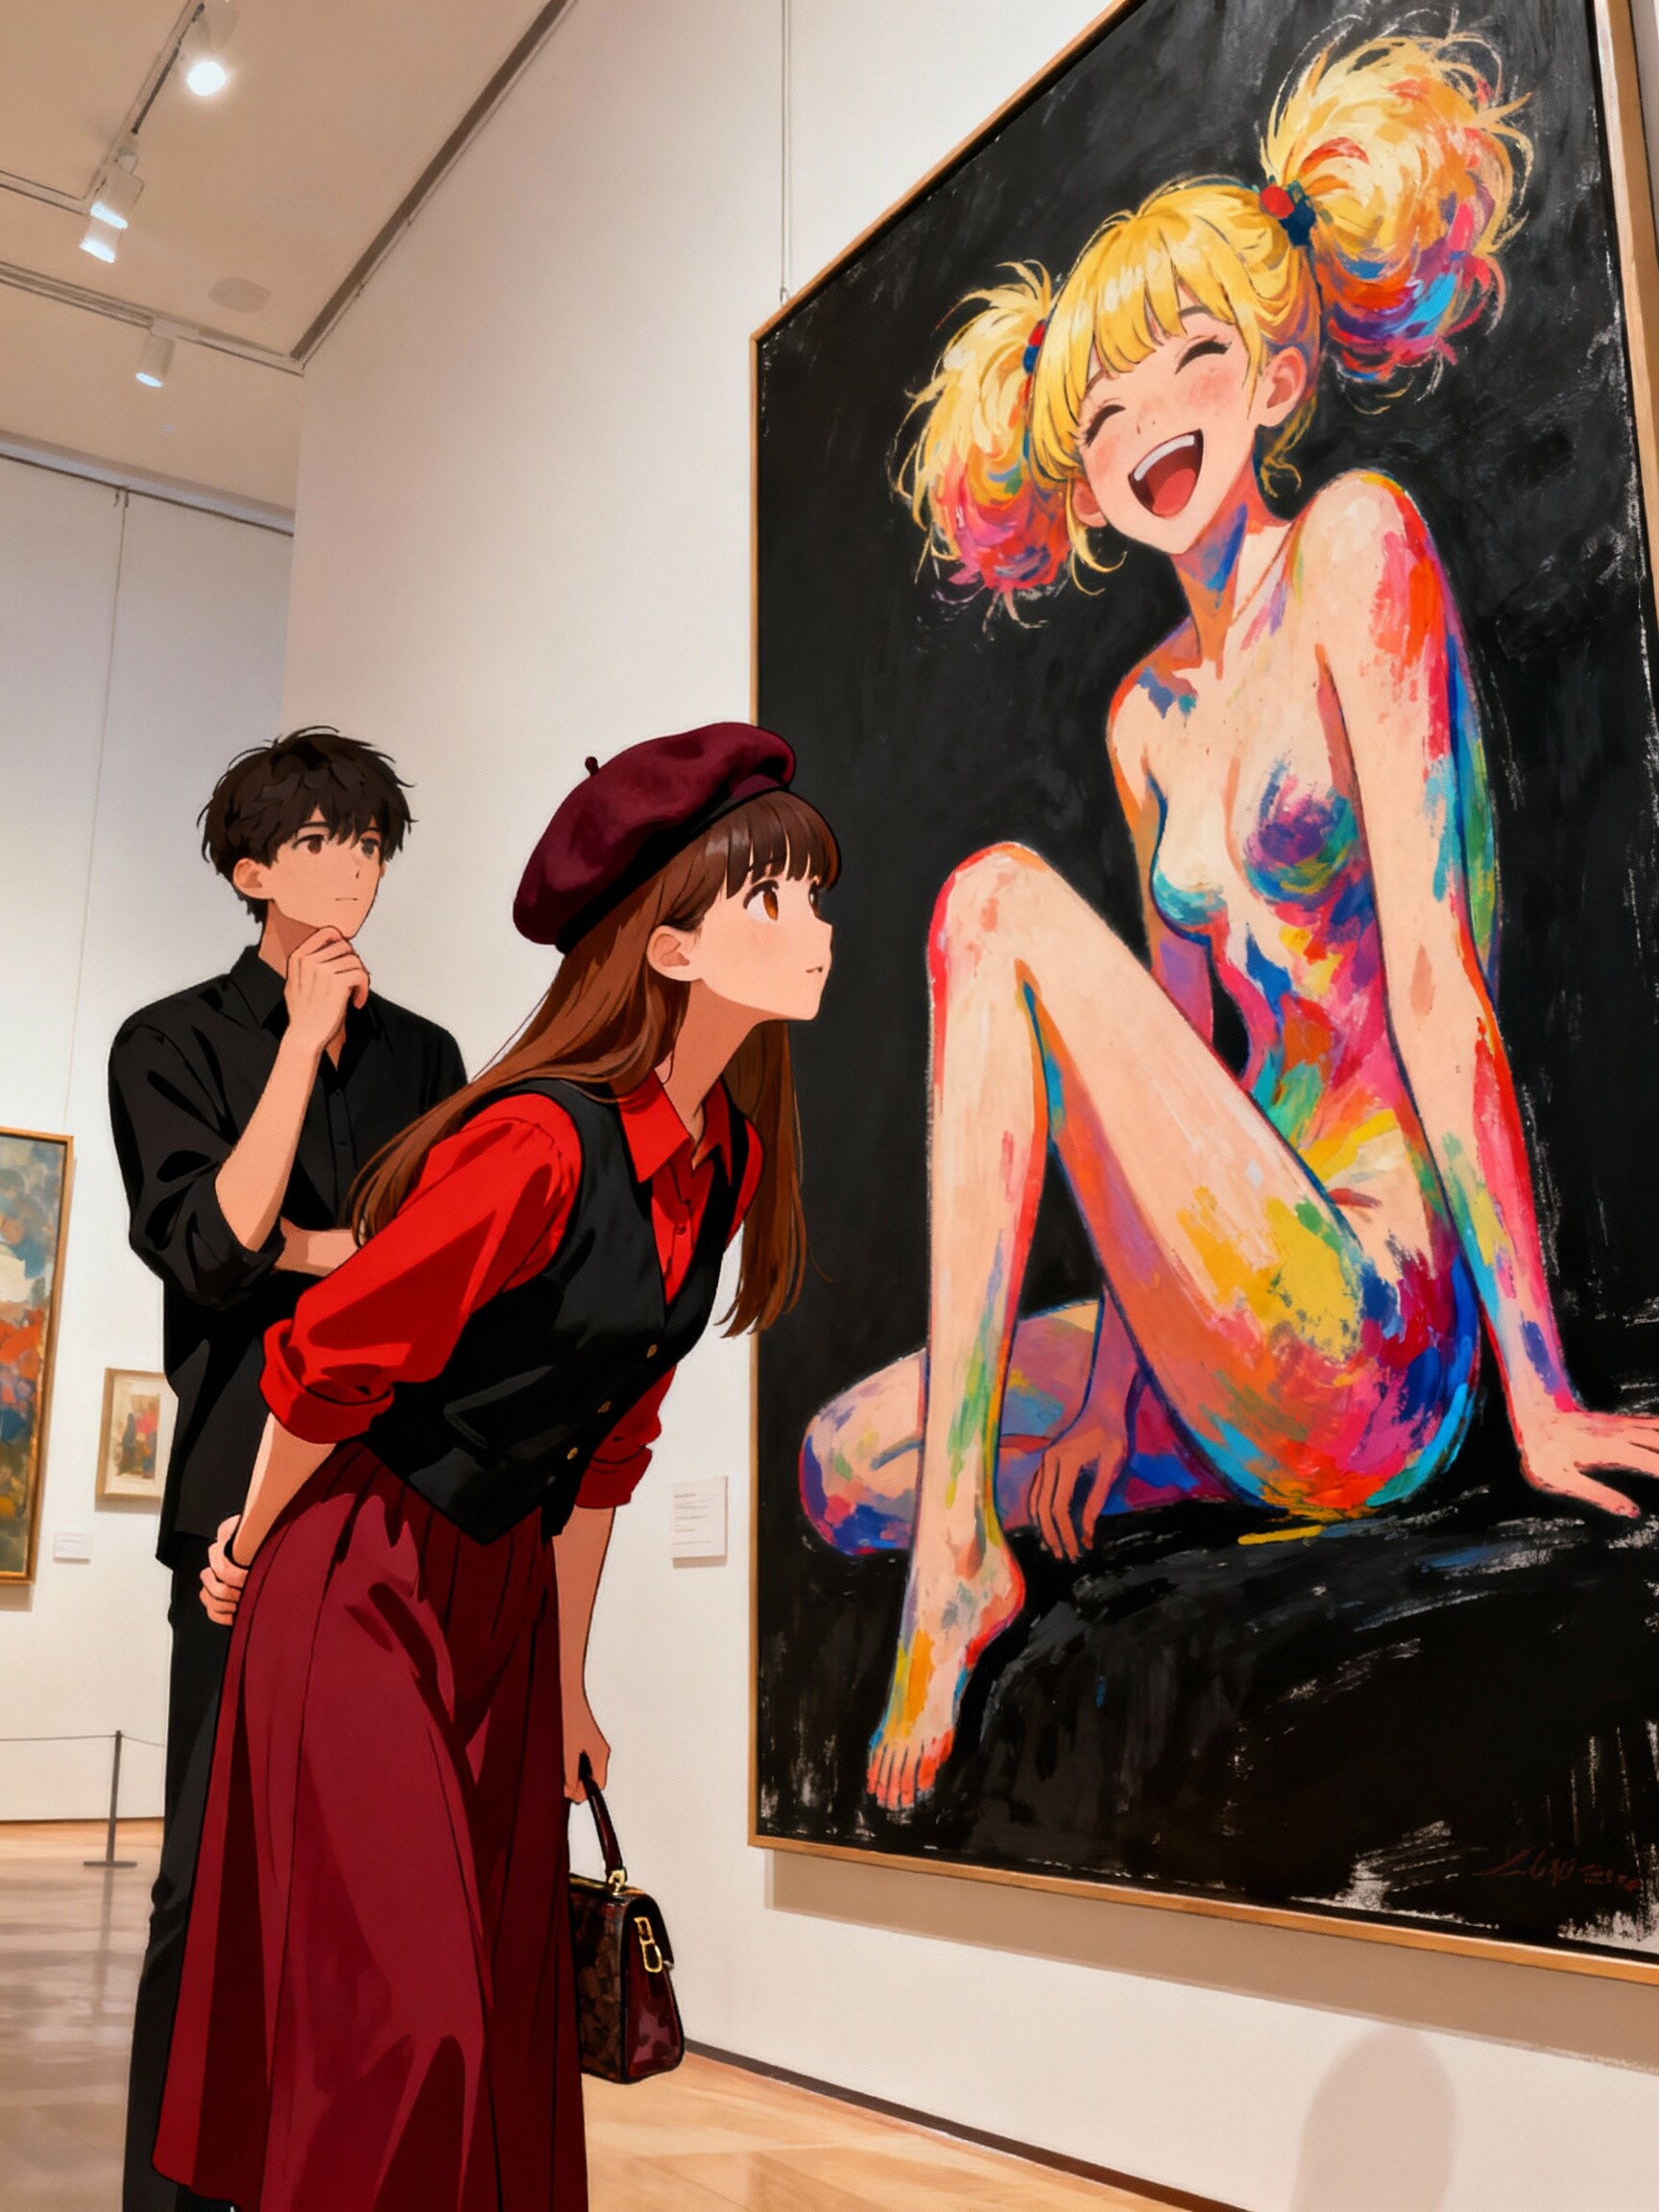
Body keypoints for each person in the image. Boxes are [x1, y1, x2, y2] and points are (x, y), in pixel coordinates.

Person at [798, 31, 1659, 1816]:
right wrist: (1119, 1385)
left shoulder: (1354, 547)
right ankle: (965, 1511)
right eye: (1102, 413)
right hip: (1241, 1324)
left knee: (992, 906)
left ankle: (959, 1567)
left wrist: (1541, 1389)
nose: (1144, 425)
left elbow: (1439, 982)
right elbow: (1178, 1079)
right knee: (840, 1462)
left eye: (1185, 362)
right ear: (1085, 480)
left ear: (1273, 376)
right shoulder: (1143, 721)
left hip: (1380, 1326)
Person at [149, 724, 837, 2211]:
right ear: (669, 948)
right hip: (361, 1582)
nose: (817, 928)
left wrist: (570, 1680)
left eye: (814, 896)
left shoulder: (724, 1160)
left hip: (501, 1604)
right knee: (413, 2023)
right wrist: (250, 1544)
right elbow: (327, 1356)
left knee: (501, 2007)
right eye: (774, 897)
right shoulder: (536, 1142)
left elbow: (606, 1453)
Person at [108, 728, 466, 2212]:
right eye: (321, 840)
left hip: (393, 1505)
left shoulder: (429, 1059)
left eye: (370, 842)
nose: (353, 866)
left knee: (373, 1894)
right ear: (253, 870)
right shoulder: (168, 1042)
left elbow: (438, 1275)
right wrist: (303, 1061)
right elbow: (212, 1247)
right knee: (205, 1885)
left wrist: (323, 1254)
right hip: (232, 1514)